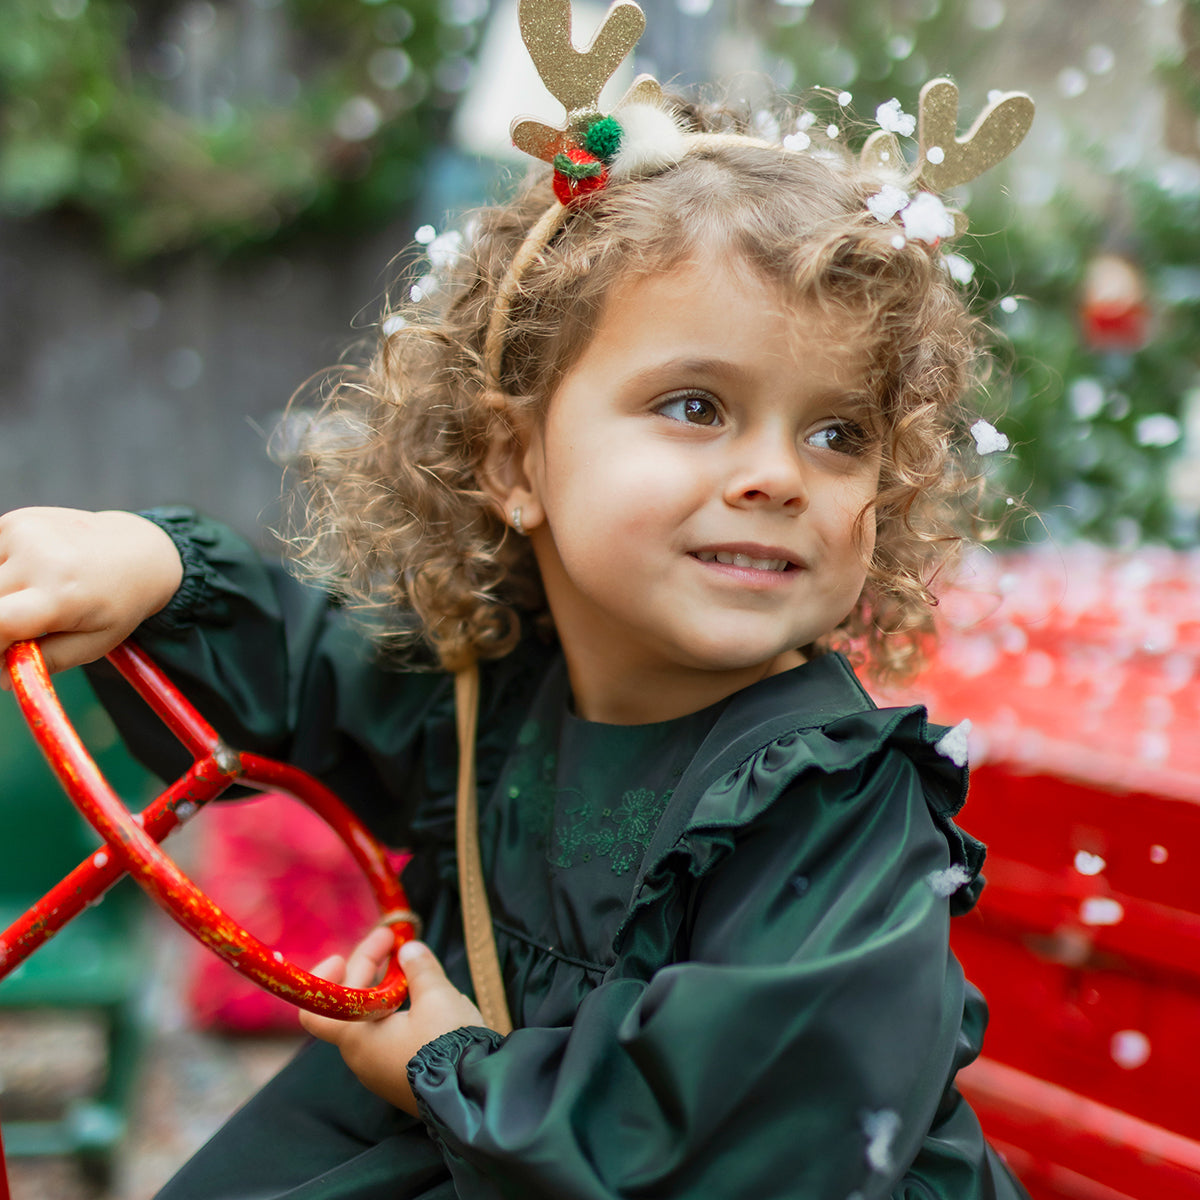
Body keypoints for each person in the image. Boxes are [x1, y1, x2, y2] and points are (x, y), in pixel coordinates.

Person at [0, 3, 1036, 1194]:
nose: (776, 475)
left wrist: (453, 1068)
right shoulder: (497, 698)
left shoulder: (829, 807)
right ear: (513, 462)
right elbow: (319, 678)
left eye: (839, 433)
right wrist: (160, 572)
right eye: (697, 405)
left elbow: (745, 1139)